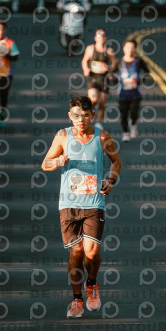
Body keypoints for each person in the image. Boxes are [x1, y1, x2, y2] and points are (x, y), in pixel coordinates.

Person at [41, 96, 122, 318]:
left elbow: (116, 161)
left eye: (85, 116)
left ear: (92, 116)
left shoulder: (102, 137)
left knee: (92, 252)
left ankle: (92, 283)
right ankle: (77, 299)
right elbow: (45, 163)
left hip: (94, 202)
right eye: (76, 116)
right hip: (69, 204)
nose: (81, 120)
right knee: (76, 253)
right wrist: (58, 162)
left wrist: (110, 180)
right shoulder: (63, 136)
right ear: (70, 116)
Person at [110, 39, 150, 142]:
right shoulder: (119, 62)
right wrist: (115, 80)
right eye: (128, 47)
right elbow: (111, 74)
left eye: (132, 47)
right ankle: (125, 133)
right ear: (124, 48)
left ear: (135, 49)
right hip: (123, 93)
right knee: (123, 113)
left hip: (135, 92)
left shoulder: (138, 61)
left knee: (133, 111)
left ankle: (133, 125)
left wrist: (140, 81)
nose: (130, 49)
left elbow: (147, 72)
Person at [81, 29, 116, 130]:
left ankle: (98, 122)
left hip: (104, 79)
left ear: (106, 38)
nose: (101, 38)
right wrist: (85, 69)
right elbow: (84, 61)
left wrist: (110, 72)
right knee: (94, 99)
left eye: (103, 36)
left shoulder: (109, 51)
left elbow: (114, 64)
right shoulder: (90, 49)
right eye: (99, 36)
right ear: (95, 38)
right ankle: (88, 116)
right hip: (93, 77)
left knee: (102, 101)